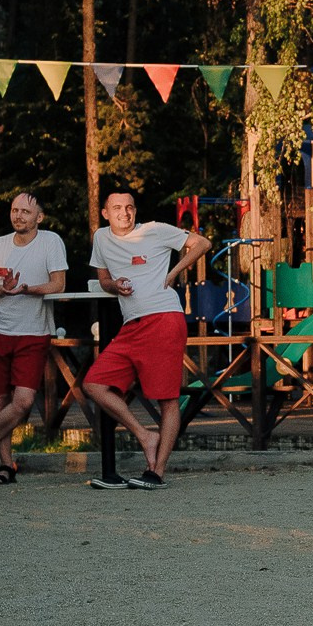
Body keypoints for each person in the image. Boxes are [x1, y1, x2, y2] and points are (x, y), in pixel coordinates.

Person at [83, 185, 209, 490]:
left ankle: (156, 471)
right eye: (117, 208)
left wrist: (175, 271)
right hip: (131, 326)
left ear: (135, 210)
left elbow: (202, 243)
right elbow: (102, 279)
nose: (124, 213)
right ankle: (144, 435)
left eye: (129, 207)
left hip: (164, 318)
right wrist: (115, 284)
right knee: (93, 384)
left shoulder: (155, 230)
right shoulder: (101, 238)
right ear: (105, 213)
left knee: (167, 399)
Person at [0, 191, 68, 482]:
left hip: (33, 332)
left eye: (25, 212)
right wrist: (2, 289)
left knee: (23, 401)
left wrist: (27, 289)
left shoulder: (51, 242)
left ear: (39, 217)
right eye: (14, 210)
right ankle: (4, 465)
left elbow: (58, 285)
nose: (18, 216)